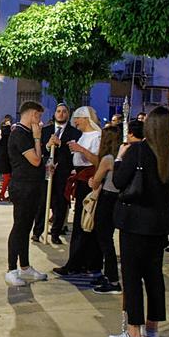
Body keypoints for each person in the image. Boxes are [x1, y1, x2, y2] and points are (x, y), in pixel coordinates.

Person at [108, 106, 169, 337]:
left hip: (134, 222)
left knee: (132, 276)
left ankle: (133, 331)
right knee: (154, 275)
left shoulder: (137, 151)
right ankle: (152, 328)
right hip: (159, 224)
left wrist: (118, 158)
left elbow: (118, 182)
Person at [5, 101, 49, 287]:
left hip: (32, 186)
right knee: (19, 228)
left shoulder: (26, 133)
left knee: (26, 228)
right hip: (22, 187)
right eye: (38, 116)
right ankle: (11, 270)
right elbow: (35, 160)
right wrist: (38, 138)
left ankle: (25, 266)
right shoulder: (20, 135)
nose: (40, 121)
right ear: (32, 115)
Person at [55, 107, 102, 276]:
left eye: (77, 119)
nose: (75, 122)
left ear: (85, 119)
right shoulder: (84, 136)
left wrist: (81, 150)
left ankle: (82, 262)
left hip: (89, 182)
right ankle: (79, 261)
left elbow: (98, 160)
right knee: (80, 224)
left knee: (85, 223)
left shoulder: (96, 137)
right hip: (81, 180)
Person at [36, 103, 81, 243]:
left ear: (68, 114)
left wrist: (61, 144)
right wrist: (49, 145)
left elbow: (74, 154)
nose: (61, 114)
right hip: (46, 172)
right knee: (42, 202)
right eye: (58, 111)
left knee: (61, 204)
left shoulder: (74, 133)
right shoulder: (45, 131)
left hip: (63, 173)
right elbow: (40, 151)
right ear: (54, 113)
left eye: (64, 111)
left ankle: (55, 233)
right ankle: (37, 231)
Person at [88, 126, 122, 294]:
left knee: (105, 239)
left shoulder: (108, 159)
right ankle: (109, 275)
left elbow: (95, 182)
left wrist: (92, 182)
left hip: (107, 198)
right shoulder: (122, 156)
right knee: (107, 238)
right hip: (118, 200)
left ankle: (113, 279)